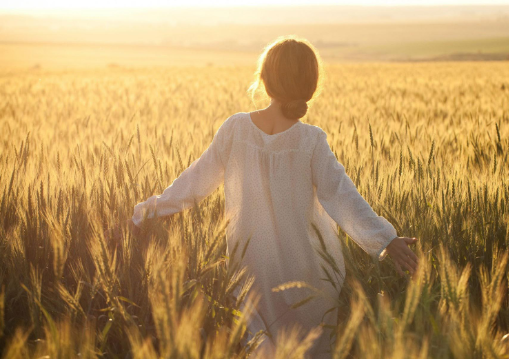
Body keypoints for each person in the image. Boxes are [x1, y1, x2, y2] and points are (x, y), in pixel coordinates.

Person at [114, 35, 419, 358]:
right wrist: (386, 240)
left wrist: (145, 213)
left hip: (251, 274)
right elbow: (344, 198)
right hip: (309, 276)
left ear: (265, 80)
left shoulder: (236, 130)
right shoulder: (311, 141)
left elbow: (193, 183)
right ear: (310, 86)